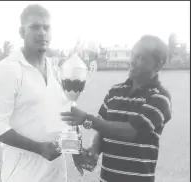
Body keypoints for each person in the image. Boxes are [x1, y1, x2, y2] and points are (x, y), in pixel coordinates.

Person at [0, 4, 86, 182]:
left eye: (46, 27)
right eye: (35, 27)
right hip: (23, 175)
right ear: (22, 32)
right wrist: (39, 148)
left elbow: (66, 114)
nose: (42, 33)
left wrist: (76, 150)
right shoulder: (7, 70)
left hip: (57, 175)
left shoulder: (57, 69)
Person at [61, 35, 172, 182]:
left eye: (141, 58)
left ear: (158, 65)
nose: (133, 61)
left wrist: (88, 119)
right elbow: (103, 127)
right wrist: (95, 149)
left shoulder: (160, 97)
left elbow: (131, 131)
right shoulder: (114, 92)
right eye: (133, 55)